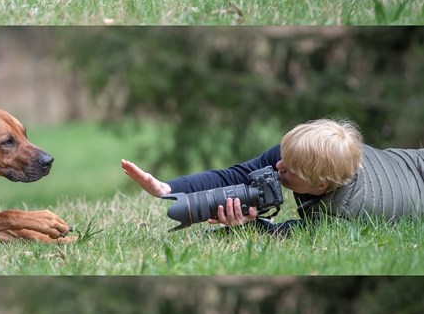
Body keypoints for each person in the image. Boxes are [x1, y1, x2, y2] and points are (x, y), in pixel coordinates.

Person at [122, 117, 424, 234]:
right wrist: (169, 188)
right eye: (283, 155)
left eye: (289, 170)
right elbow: (237, 176)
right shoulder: (313, 155)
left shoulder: (341, 217)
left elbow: (285, 235)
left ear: (320, 185)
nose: (278, 166)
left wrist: (249, 227)